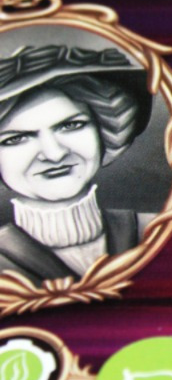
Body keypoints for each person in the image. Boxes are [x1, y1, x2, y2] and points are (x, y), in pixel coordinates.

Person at [0, 45, 153, 285]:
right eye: (16, 139)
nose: (54, 154)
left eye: (71, 125)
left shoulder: (156, 229)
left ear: (104, 130)